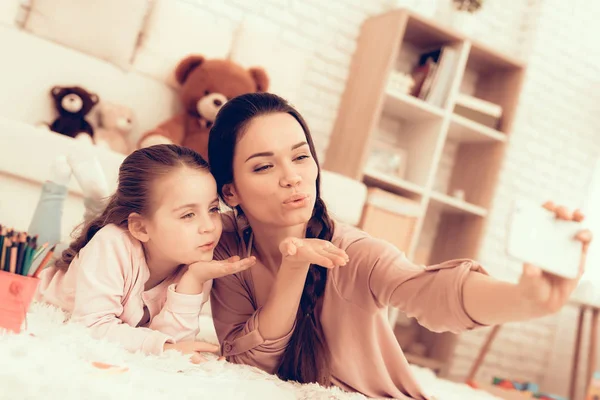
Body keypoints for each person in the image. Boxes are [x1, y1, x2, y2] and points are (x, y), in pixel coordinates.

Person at [206, 92, 592, 399]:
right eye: (263, 166)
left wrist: (524, 299)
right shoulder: (223, 245)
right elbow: (248, 362)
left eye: (301, 156)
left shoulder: (351, 252)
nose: (293, 177)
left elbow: (428, 291)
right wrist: (294, 268)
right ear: (231, 191)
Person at [33, 145, 256, 362]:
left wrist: (193, 282)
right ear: (140, 227)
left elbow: (172, 342)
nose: (209, 226)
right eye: (188, 215)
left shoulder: (198, 260)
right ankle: (58, 187)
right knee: (41, 247)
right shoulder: (111, 243)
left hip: (105, 258)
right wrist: (163, 347)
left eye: (213, 209)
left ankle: (96, 203)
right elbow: (92, 326)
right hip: (36, 279)